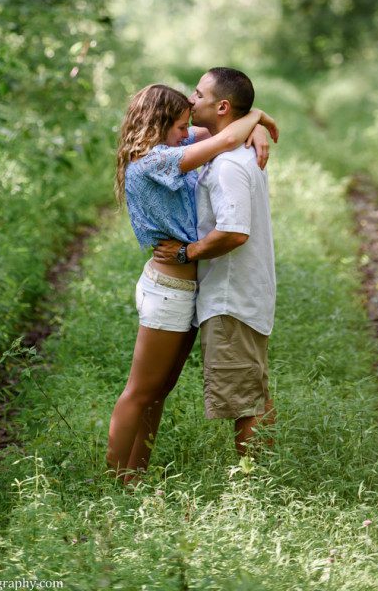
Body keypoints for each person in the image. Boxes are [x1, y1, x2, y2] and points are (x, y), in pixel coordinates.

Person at [107, 82, 278, 481]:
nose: (188, 133)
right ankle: (113, 483)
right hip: (168, 289)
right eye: (181, 127)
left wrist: (251, 123)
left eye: (188, 126)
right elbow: (227, 133)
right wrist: (258, 118)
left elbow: (220, 128)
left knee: (158, 393)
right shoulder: (154, 161)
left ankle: (135, 476)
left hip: (186, 290)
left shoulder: (171, 147)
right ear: (158, 125)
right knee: (140, 391)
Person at [154, 67, 276, 457]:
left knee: (245, 402)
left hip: (231, 297)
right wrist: (255, 119)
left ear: (221, 106)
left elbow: (235, 232)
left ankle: (254, 488)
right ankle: (261, 479)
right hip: (238, 295)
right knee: (252, 391)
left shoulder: (227, 165)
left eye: (198, 94)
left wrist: (186, 252)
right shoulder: (230, 151)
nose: (190, 100)